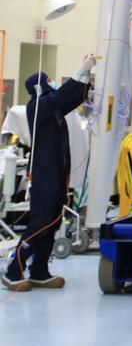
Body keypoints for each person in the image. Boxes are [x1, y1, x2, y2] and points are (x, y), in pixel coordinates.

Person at [2, 54, 97, 293]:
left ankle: (39, 271)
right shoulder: (39, 107)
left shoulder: (51, 106)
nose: (53, 83)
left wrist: (86, 76)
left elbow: (70, 98)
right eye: (49, 81)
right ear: (40, 86)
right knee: (42, 223)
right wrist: (80, 68)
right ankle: (14, 270)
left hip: (57, 172)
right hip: (46, 175)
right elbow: (61, 97)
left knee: (53, 224)